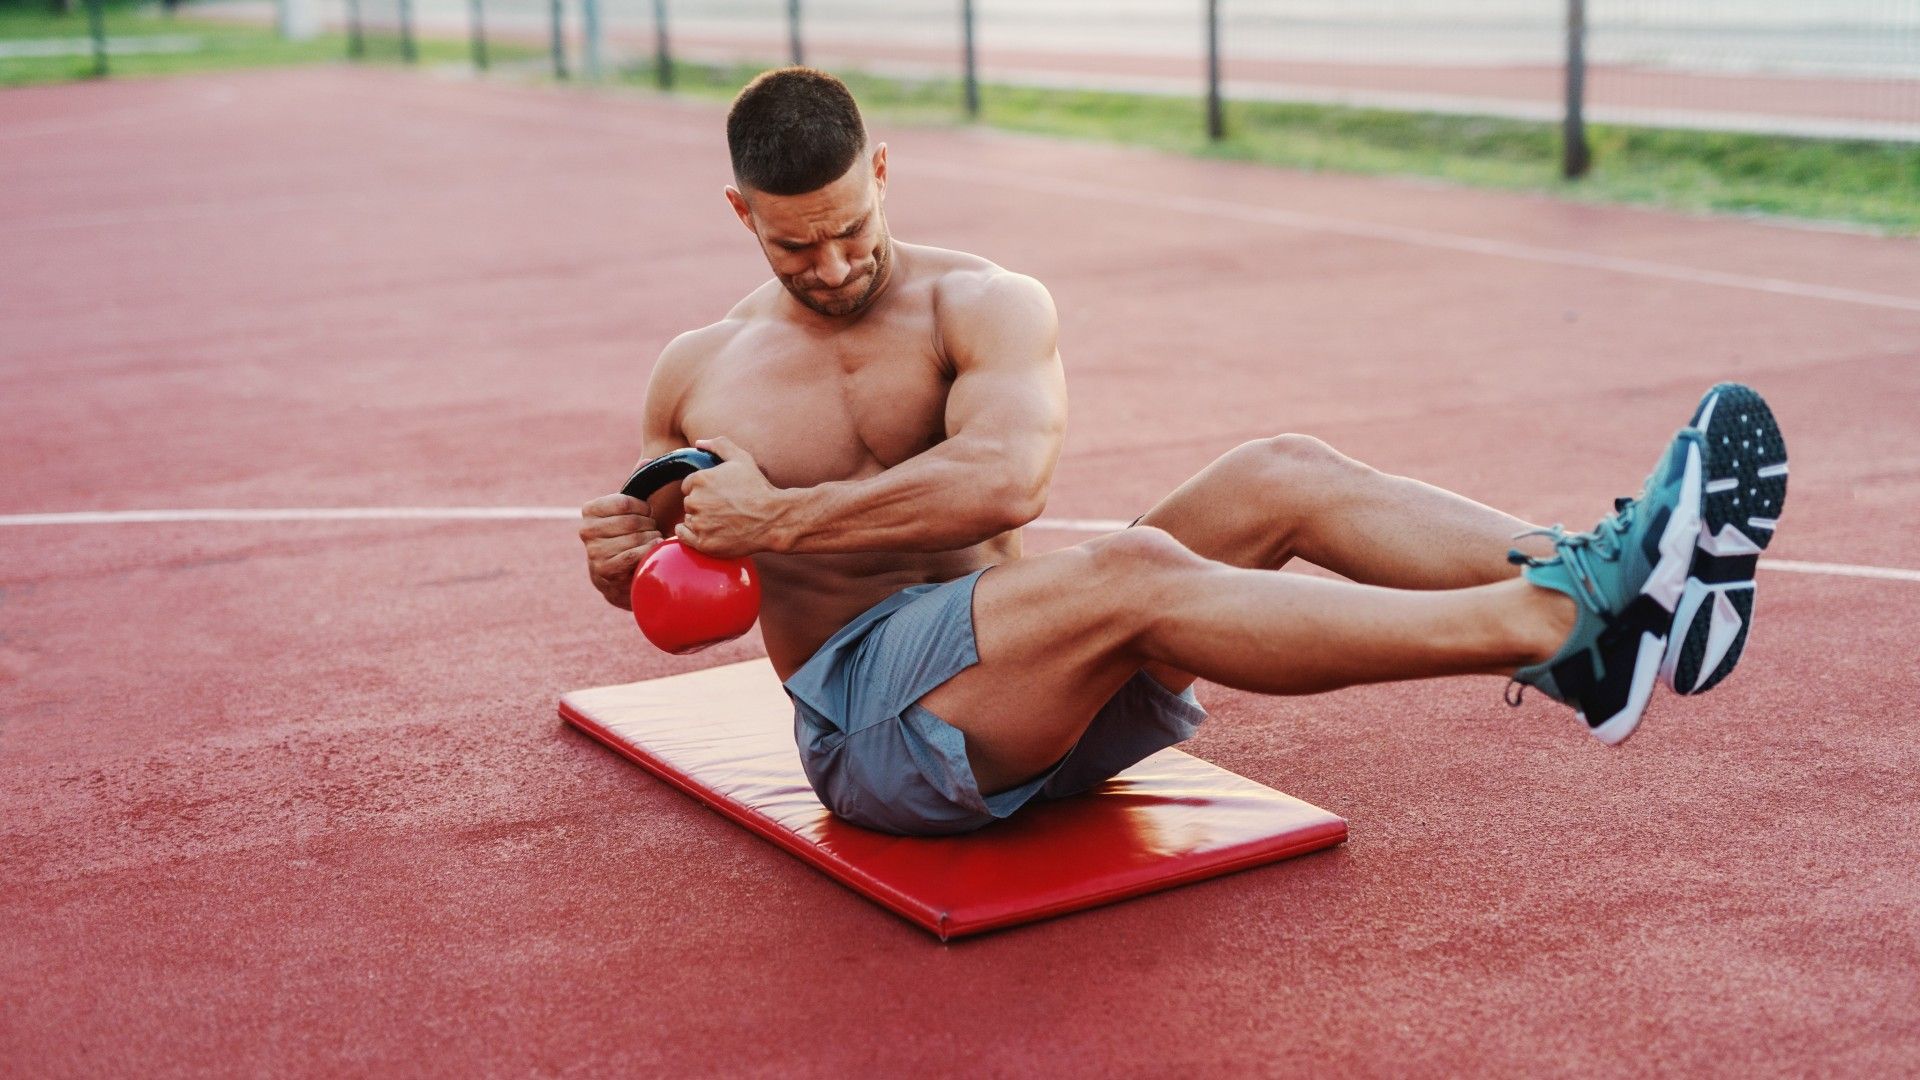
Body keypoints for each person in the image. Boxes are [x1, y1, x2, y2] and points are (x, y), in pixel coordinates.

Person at [578, 68, 1788, 836]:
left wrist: (781, 519)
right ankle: (1559, 624)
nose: (835, 266)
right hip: (881, 743)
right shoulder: (698, 372)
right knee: (1137, 570)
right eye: (798, 248)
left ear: (883, 172)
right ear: (742, 215)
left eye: (852, 228)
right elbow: (679, 598)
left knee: (1282, 470)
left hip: (1041, 696)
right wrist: (625, 559)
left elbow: (1007, 481)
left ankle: (1592, 600)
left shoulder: (982, 302)